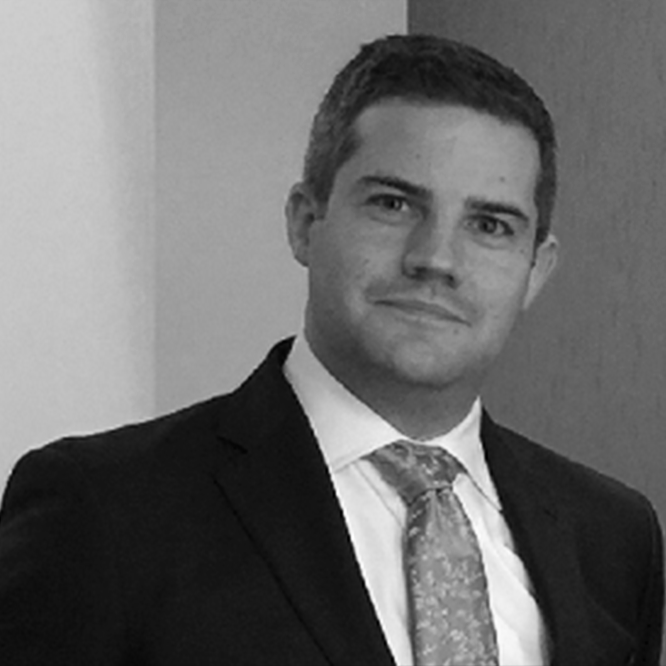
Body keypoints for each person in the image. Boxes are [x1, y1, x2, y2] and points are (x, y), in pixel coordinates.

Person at [0, 34, 663, 666]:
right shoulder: (104, 512)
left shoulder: (613, 538)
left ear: (536, 270)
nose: (436, 258)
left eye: (490, 224)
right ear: (304, 222)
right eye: (394, 204)